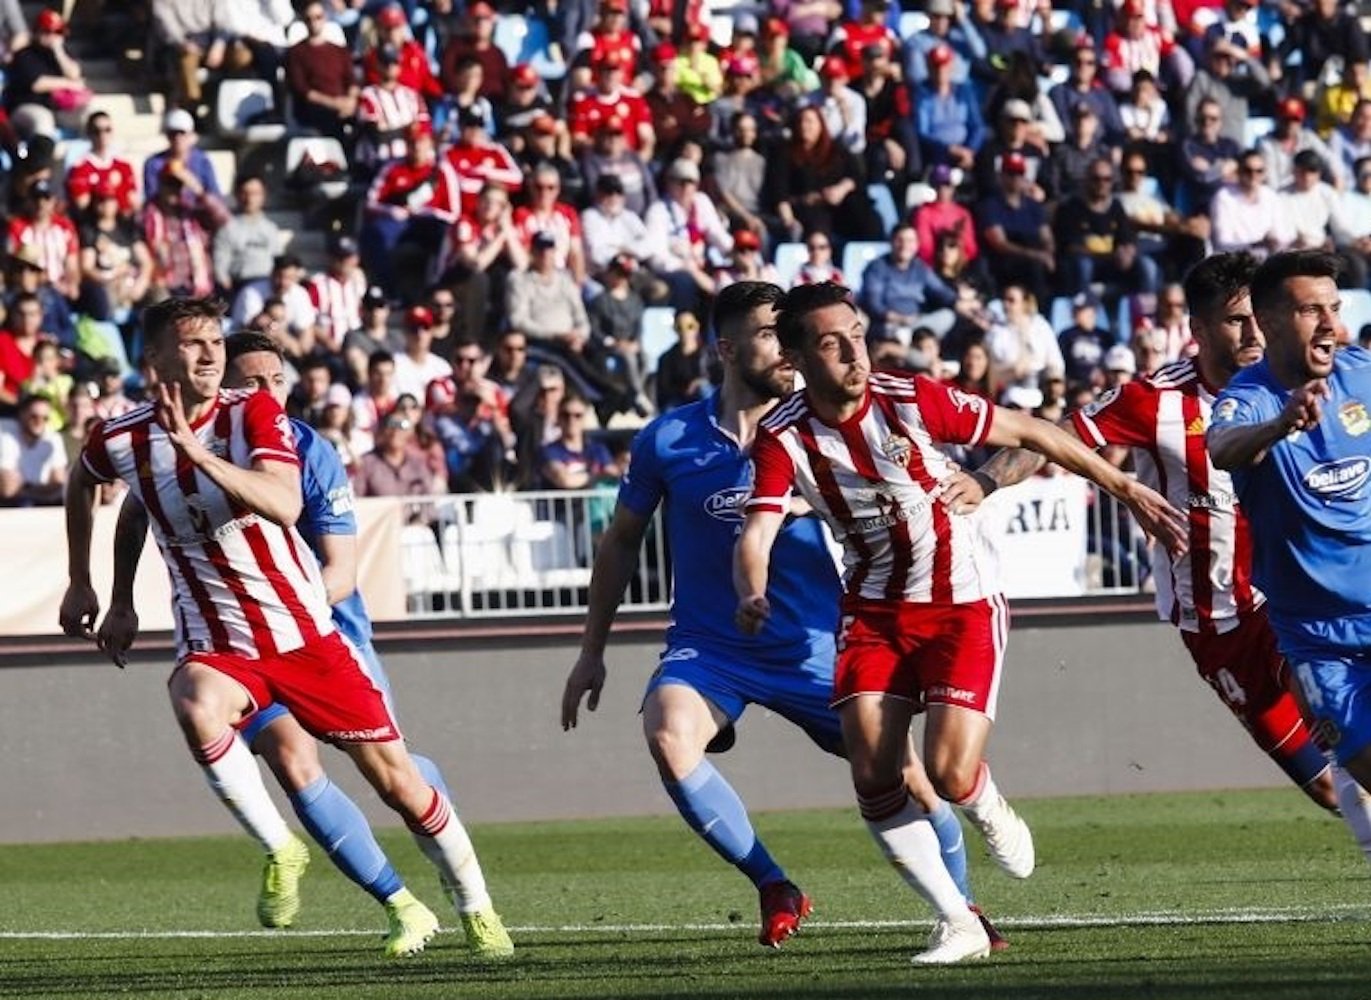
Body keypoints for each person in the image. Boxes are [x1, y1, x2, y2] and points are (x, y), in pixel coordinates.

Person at [732, 281, 1187, 964]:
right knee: (872, 772)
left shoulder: (910, 398)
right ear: (795, 357)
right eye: (831, 344)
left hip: (961, 600)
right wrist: (751, 588)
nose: (854, 353)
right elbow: (757, 528)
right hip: (874, 610)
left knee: (946, 772)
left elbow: (1031, 431)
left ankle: (983, 799)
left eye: (855, 334)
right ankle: (958, 922)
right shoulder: (781, 435)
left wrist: (1124, 489)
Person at [561, 281, 1003, 958]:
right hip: (712, 644)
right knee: (667, 734)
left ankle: (963, 909)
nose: (788, 347)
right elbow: (621, 540)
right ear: (728, 349)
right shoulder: (669, 438)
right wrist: (591, 651)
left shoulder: (822, 427)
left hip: (817, 641)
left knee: (910, 778)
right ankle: (774, 885)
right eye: (771, 334)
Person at [57, 298, 499, 959]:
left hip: (302, 633)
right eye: (194, 343)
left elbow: (284, 503)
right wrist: (92, 584)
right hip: (218, 641)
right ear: (153, 361)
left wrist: (200, 457)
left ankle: (476, 907)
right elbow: (93, 489)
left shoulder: (254, 419)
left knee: (399, 783)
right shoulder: (122, 437)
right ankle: (286, 850)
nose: (209, 354)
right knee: (198, 704)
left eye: (215, 341)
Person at [976, 254, 1371, 841]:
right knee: (1323, 783)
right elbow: (1050, 440)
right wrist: (982, 483)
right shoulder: (1152, 401)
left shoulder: (1311, 383)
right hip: (1218, 622)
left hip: (1292, 601)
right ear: (1199, 329)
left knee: (1343, 731)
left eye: (1256, 319)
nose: (1253, 335)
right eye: (1236, 321)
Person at [1208, 249, 1371, 834]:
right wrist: (1281, 426)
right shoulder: (1249, 397)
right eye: (1311, 310)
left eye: (1334, 307)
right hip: (1318, 643)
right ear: (1270, 321)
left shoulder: (1362, 375)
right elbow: (1223, 447)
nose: (1330, 323)